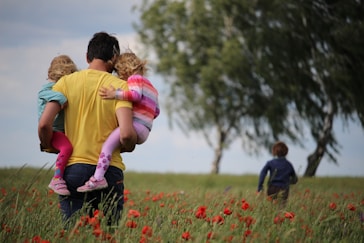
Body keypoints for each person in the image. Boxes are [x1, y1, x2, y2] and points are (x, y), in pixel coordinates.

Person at [38, 32, 137, 226]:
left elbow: (44, 124)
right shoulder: (120, 87)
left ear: (87, 57)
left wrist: (48, 144)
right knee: (107, 236)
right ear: (114, 59)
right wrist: (130, 144)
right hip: (109, 172)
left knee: (75, 234)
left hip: (73, 170)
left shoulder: (65, 83)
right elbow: (126, 134)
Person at [77, 50, 160, 192]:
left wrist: (114, 94)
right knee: (114, 145)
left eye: (118, 72)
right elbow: (156, 111)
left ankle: (98, 178)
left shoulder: (135, 79)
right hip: (145, 129)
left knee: (107, 146)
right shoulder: (152, 88)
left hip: (136, 126)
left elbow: (135, 95)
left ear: (125, 69)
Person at [38, 55, 77, 196]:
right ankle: (57, 178)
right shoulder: (49, 88)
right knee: (67, 147)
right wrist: (62, 98)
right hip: (53, 130)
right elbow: (44, 94)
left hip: (60, 130)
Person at [257, 141, 298, 206]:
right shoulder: (289, 165)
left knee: (271, 207)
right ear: (286, 152)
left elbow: (263, 173)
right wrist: (287, 182)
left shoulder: (270, 163)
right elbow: (295, 179)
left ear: (274, 151)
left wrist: (260, 187)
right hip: (284, 189)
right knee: (281, 208)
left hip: (272, 188)